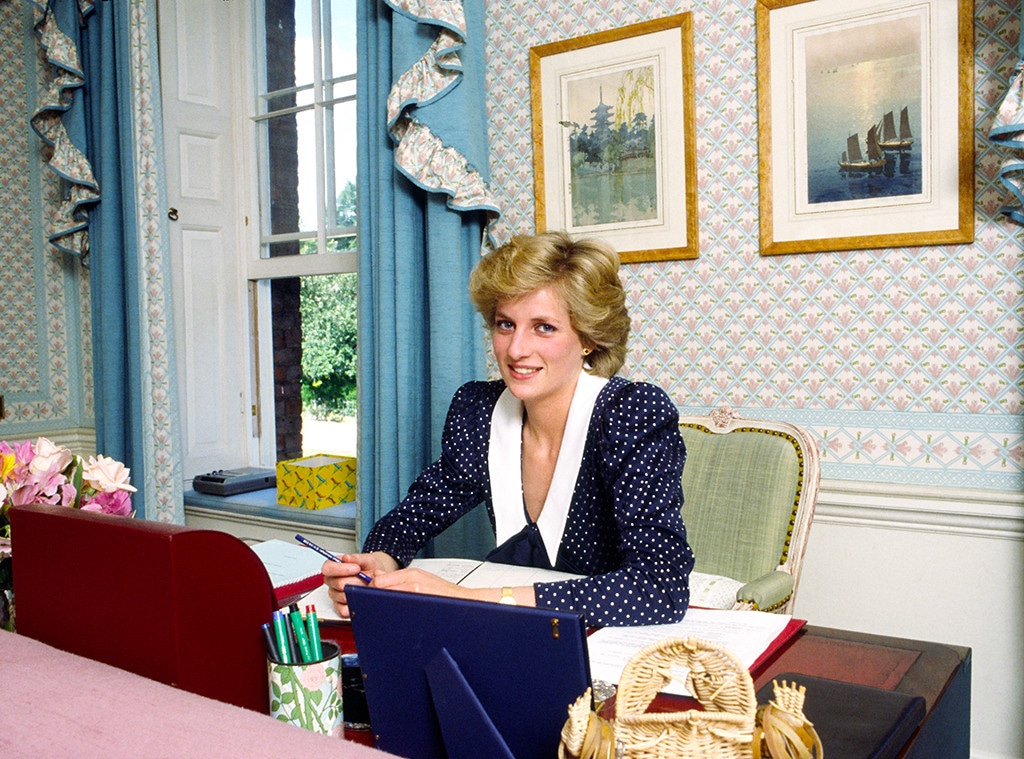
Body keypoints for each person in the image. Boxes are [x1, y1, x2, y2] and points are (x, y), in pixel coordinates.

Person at [323, 231, 693, 626]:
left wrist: (467, 599)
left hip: (608, 638)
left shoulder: (631, 415)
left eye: (544, 327)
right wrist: (377, 562)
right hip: (514, 633)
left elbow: (660, 588)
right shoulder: (479, 411)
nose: (516, 350)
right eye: (505, 324)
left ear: (588, 337)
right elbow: (411, 518)